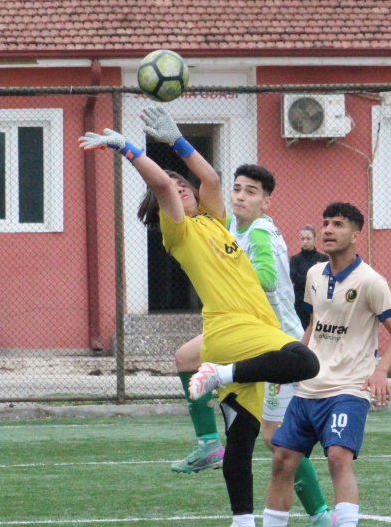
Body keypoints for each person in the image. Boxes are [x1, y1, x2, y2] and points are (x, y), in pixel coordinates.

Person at [80, 106, 319, 527]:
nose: (180, 186)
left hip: (253, 330)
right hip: (233, 331)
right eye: (171, 188)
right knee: (305, 361)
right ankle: (221, 375)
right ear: (162, 207)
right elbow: (161, 185)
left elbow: (209, 178)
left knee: (242, 440)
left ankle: (242, 521)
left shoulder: (214, 221)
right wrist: (128, 149)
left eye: (180, 181)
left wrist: (178, 140)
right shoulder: (181, 232)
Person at [169, 164, 332, 524]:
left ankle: (320, 512)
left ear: (266, 203)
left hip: (275, 341)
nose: (241, 196)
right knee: (185, 357)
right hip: (243, 331)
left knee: (275, 438)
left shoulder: (258, 232)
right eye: (238, 189)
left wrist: (230, 274)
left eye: (251, 191)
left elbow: (270, 278)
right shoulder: (230, 227)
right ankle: (210, 444)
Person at [258, 202, 391, 527]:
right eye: (325, 223)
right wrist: (293, 362)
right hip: (309, 388)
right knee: (282, 460)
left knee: (338, 458)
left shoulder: (371, 281)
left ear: (356, 234)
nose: (327, 230)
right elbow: (315, 323)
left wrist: (381, 371)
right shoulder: (313, 274)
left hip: (349, 388)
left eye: (338, 224)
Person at [290, 225, 329, 329]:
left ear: (315, 239)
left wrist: (306, 279)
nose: (305, 241)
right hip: (300, 302)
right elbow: (294, 277)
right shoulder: (295, 260)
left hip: (318, 301)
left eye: (308, 238)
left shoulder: (323, 258)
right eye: (302, 239)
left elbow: (326, 278)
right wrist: (313, 280)